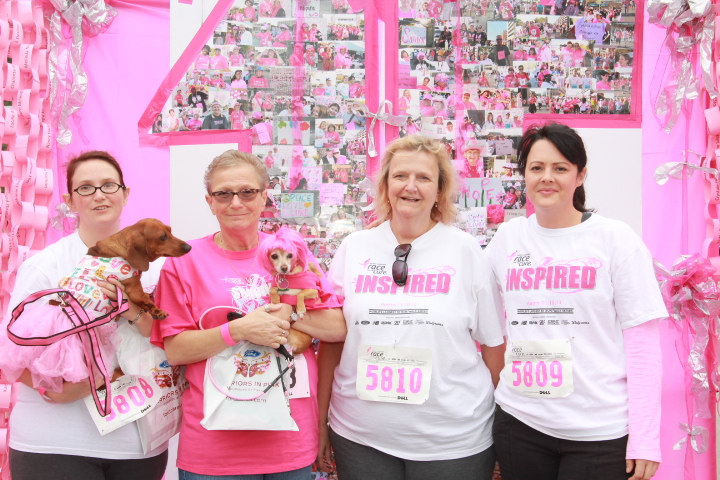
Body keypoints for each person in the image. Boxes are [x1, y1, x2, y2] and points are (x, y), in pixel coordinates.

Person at [316, 135, 505, 480]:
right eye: (400, 176)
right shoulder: (355, 248)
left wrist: (506, 427)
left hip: (452, 442)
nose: (410, 187)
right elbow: (333, 341)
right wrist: (319, 422)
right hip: (360, 437)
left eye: (424, 178)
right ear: (386, 184)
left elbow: (494, 345)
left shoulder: (465, 251)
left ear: (439, 190)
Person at [486, 123, 666, 480]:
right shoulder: (507, 239)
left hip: (598, 430)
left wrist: (645, 438)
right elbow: (481, 317)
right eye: (536, 168)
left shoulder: (615, 239)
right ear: (524, 175)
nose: (546, 178)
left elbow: (643, 344)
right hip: (520, 422)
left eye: (561, 168)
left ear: (580, 175)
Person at [151, 150, 346, 478]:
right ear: (209, 201)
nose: (236, 203)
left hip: (290, 437)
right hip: (214, 446)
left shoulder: (290, 252)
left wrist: (290, 314)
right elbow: (176, 349)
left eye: (247, 192)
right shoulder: (184, 260)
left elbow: (337, 328)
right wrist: (238, 330)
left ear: (264, 195)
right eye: (223, 194)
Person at [1, 151, 168, 479]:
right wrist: (58, 387)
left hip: (139, 447)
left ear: (125, 193)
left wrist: (133, 311)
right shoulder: (46, 266)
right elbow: (10, 353)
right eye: (86, 188)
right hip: (53, 447)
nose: (99, 195)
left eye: (108, 185)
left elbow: (171, 341)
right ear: (70, 200)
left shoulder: (159, 268)